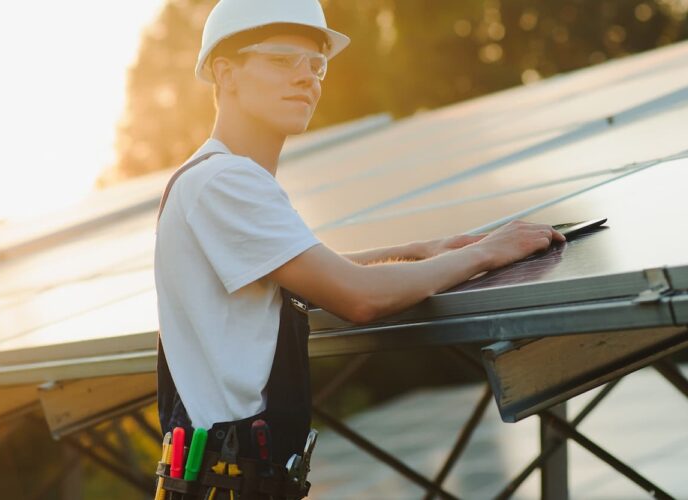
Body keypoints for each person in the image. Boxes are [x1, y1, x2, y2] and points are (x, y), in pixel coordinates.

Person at [153, 0, 564, 497]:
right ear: (226, 73)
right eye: (283, 59)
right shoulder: (226, 181)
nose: (307, 77)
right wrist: (486, 253)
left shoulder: (210, 178)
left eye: (316, 64)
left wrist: (422, 251)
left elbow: (311, 273)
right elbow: (357, 296)